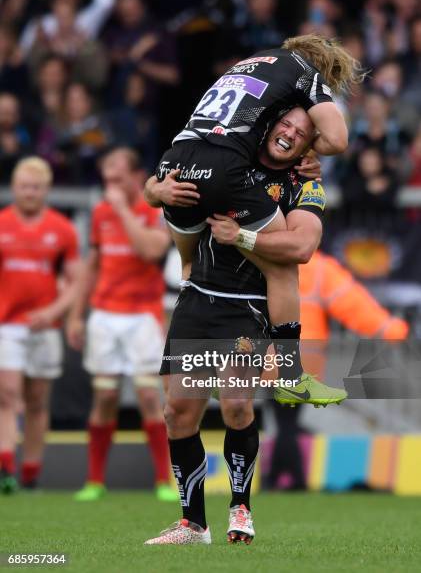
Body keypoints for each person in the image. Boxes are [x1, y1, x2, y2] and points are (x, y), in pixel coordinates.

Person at [144, 107, 346, 545]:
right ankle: (192, 524)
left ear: (311, 144)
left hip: (249, 307)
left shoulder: (305, 183)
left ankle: (241, 509)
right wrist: (157, 188)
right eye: (285, 124)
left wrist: (243, 237)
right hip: (198, 297)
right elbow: (158, 182)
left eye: (303, 132)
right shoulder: (231, 156)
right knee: (177, 413)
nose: (291, 134)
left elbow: (303, 245)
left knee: (236, 404)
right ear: (269, 125)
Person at [155, 34, 363, 394]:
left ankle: (189, 327)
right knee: (282, 269)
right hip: (222, 173)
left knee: (188, 268)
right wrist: (310, 146)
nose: (293, 133)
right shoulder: (305, 74)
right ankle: (290, 374)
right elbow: (338, 139)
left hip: (174, 163)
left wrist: (155, 190)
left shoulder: (248, 66)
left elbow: (231, 123)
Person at [66, 147, 177, 502]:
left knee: (148, 395)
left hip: (142, 314)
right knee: (105, 397)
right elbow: (92, 266)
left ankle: (163, 480)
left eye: (117, 177)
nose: (110, 185)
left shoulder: (153, 210)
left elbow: (151, 251)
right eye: (106, 179)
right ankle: (95, 481)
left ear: (134, 176)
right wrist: (75, 315)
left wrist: (120, 211)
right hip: (105, 315)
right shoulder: (100, 214)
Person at [265, 249, 409, 490]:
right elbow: (354, 304)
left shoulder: (264, 258)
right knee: (287, 421)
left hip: (270, 355)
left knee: (284, 421)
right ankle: (288, 479)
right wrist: (392, 329)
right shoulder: (321, 268)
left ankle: (282, 479)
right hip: (305, 358)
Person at [0, 157, 79, 493]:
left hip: (45, 327)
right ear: (14, 188)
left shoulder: (62, 229)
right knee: (8, 396)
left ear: (46, 190)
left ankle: (31, 471)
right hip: (7, 325)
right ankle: (5, 468)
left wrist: (54, 312)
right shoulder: (1, 224)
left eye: (36, 187)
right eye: (23, 186)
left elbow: (75, 282)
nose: (29, 192)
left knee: (36, 401)